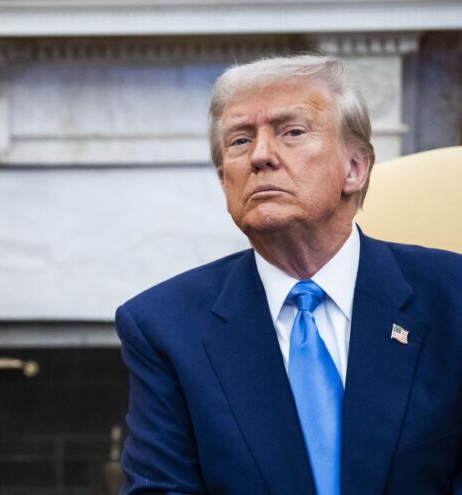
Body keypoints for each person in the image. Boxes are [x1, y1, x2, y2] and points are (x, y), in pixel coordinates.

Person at [116, 54, 462, 494]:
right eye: (239, 141)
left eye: (292, 132)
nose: (260, 156)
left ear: (355, 168)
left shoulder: (453, 297)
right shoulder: (164, 326)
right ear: (225, 183)